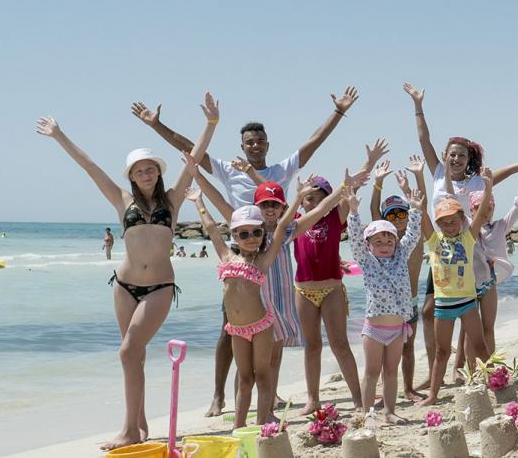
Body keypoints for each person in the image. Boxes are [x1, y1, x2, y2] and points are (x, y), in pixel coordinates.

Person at [131, 87, 358, 417]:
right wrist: (156, 126)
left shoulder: (281, 169)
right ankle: (219, 396)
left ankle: (270, 394)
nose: (254, 146)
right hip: (240, 259)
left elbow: (314, 141)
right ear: (242, 146)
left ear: (267, 143)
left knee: (274, 331)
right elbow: (189, 148)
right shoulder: (228, 168)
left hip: (274, 257)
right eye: (249, 142)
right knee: (231, 328)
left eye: (260, 141)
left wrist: (337, 112)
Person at [35, 92, 219, 450]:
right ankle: (140, 421)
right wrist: (60, 136)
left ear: (158, 173)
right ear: (132, 176)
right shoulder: (121, 200)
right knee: (133, 353)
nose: (146, 173)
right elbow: (90, 166)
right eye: (139, 170)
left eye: (151, 168)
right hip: (124, 286)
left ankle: (129, 431)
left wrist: (210, 124)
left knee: (127, 351)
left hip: (160, 288)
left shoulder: (173, 200)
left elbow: (194, 159)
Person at [403, 82, 518, 389]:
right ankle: (436, 369)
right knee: (429, 311)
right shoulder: (437, 172)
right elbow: (423, 138)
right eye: (452, 155)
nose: (455, 160)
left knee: (469, 314)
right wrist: (418, 105)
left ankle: (466, 369)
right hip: (440, 251)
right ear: (445, 156)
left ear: (469, 160)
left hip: (469, 251)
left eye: (461, 156)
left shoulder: (480, 181)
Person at [194, 170, 359, 421]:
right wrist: (197, 184)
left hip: (278, 307)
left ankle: (266, 411)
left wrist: (346, 183)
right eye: (264, 205)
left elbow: (315, 210)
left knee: (270, 362)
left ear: (282, 207)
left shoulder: (281, 235)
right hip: (253, 312)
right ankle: (246, 414)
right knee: (247, 370)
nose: (269, 209)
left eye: (274, 205)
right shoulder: (249, 234)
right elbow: (218, 213)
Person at [188, 186, 300, 429]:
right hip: (237, 330)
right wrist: (198, 201)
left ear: (262, 234)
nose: (251, 238)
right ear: (234, 236)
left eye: (256, 233)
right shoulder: (227, 258)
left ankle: (263, 422)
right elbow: (210, 228)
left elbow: (281, 229)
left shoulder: (263, 259)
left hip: (261, 326)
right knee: (245, 378)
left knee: (262, 375)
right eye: (244, 234)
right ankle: (238, 427)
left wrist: (298, 198)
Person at [292, 140, 386, 414]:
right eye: (307, 196)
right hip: (303, 290)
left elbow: (352, 186)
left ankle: (358, 398)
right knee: (312, 346)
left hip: (332, 288)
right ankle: (313, 399)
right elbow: (282, 213)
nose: (312, 199)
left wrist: (368, 164)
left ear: (326, 197)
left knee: (340, 344)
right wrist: (297, 196)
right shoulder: (296, 219)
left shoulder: (336, 216)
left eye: (317, 195)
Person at [346, 185, 424, 424]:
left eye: (389, 240)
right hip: (374, 330)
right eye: (378, 240)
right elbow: (356, 240)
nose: (384, 244)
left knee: (391, 372)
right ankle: (368, 414)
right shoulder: (367, 262)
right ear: (369, 244)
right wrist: (353, 211)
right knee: (371, 373)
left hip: (397, 329)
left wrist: (416, 209)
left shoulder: (401, 256)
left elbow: (412, 234)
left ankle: (390, 412)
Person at [417, 167, 494, 407]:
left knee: (480, 345)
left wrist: (488, 186)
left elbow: (481, 216)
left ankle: (494, 381)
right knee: (442, 352)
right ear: (439, 224)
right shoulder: (434, 242)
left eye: (453, 221)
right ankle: (433, 395)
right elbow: (423, 218)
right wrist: (418, 201)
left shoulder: (467, 238)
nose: (449, 225)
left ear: (462, 221)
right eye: (444, 222)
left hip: (468, 303)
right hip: (444, 306)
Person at [452, 162, 518, 379]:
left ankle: (488, 368)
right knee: (470, 331)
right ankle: (469, 370)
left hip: (489, 283)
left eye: (489, 208)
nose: (486, 212)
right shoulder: (466, 226)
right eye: (480, 208)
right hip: (467, 285)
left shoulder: (500, 226)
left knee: (488, 327)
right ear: (471, 210)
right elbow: (450, 210)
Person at [369, 156, 432, 401]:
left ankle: (407, 388)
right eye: (391, 216)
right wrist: (377, 184)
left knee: (408, 348)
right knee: (387, 351)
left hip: (410, 303)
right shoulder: (388, 243)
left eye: (401, 214)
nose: (398, 220)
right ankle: (388, 392)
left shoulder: (414, 240)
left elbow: (422, 207)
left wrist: (418, 177)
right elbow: (375, 212)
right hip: (386, 307)